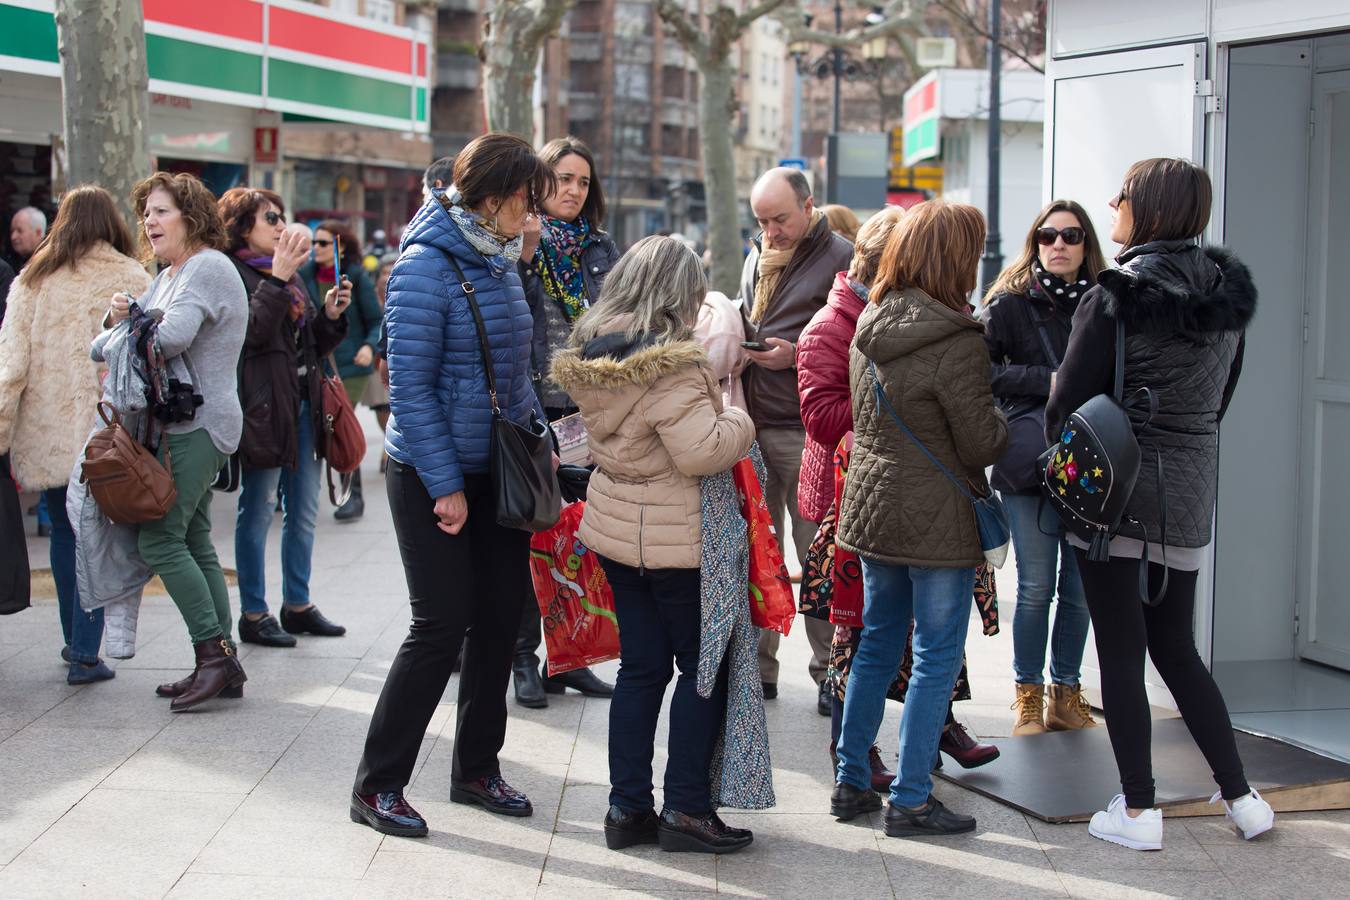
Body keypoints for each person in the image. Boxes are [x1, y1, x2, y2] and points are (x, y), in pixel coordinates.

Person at [1045, 158, 1272, 850]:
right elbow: (1218, 402)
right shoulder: (1227, 300)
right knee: (1176, 647)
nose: (1111, 204)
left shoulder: (1114, 294)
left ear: (1148, 209)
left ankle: (1139, 812)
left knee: (1119, 650)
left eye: (1123, 196)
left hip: (1115, 495)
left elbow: (1064, 404)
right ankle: (1243, 798)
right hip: (1189, 495)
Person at [350, 133, 555, 838]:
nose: (534, 215)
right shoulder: (422, 267)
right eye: (527, 200)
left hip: (497, 469)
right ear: (494, 198)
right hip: (431, 475)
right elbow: (409, 390)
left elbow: (516, 370)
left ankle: (475, 769)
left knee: (499, 621)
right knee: (439, 628)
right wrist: (444, 485)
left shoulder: (499, 261)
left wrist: (540, 447)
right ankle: (377, 785)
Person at [551, 235, 758, 855]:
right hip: (679, 540)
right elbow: (702, 451)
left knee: (641, 671)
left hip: (618, 531)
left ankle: (627, 810)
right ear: (678, 293)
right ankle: (688, 810)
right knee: (702, 671)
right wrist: (739, 420)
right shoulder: (672, 362)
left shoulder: (596, 351)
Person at [798, 207, 1001, 787]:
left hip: (872, 510)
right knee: (936, 655)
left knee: (876, 644)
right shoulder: (955, 339)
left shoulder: (869, 323)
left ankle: (850, 781)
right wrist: (1005, 421)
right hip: (936, 517)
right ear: (954, 259)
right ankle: (913, 797)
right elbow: (980, 439)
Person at [100, 172, 249, 710]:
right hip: (181, 426)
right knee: (192, 539)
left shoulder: (205, 266)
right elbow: (105, 343)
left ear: (190, 216)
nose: (149, 221)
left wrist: (131, 321)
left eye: (161, 211)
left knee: (159, 540)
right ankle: (222, 661)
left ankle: (213, 656)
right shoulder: (169, 275)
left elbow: (168, 337)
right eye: (146, 212)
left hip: (199, 425)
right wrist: (124, 318)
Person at [0, 185, 151, 684]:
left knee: (64, 533)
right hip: (111, 431)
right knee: (99, 534)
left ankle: (76, 642)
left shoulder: (33, 279)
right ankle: (86, 651)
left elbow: (10, 366)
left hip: (48, 433)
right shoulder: (132, 276)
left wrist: (3, 428)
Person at [982, 200, 1107, 736]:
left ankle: (1067, 694)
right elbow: (981, 372)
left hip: (1089, 463)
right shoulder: (1007, 305)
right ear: (1035, 243)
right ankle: (1027, 696)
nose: (1059, 245)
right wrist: (1048, 380)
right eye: (1048, 236)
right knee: (1035, 587)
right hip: (1028, 464)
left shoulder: (1107, 303)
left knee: (1080, 588)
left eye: (1071, 236)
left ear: (1086, 245)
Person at [512, 135, 620, 708]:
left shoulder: (601, 249)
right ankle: (524, 658)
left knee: (582, 539)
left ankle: (571, 656)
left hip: (588, 413)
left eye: (582, 180)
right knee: (533, 538)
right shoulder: (514, 244)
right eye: (561, 179)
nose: (573, 190)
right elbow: (509, 320)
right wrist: (526, 257)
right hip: (531, 412)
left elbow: (619, 325)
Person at [740, 167, 853, 713]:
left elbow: (855, 345)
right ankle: (760, 670)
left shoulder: (843, 258)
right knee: (760, 555)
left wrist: (794, 356)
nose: (770, 231)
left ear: (809, 207)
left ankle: (829, 673)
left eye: (780, 219)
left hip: (809, 432)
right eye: (761, 221)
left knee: (816, 557)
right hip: (755, 423)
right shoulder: (755, 255)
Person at [218, 188, 350, 649]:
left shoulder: (289, 276)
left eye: (281, 216)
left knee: (305, 512)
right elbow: (249, 336)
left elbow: (305, 343)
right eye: (269, 217)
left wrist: (330, 316)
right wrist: (276, 281)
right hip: (263, 411)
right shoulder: (233, 272)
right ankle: (253, 613)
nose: (280, 225)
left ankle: (297, 605)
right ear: (241, 225)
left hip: (303, 403)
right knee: (256, 512)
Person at [302, 219, 380, 521]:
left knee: (339, 423)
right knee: (322, 425)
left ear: (340, 246)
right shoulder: (303, 275)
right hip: (317, 364)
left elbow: (376, 320)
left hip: (350, 366)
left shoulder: (355, 277)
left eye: (322, 243)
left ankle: (353, 496)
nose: (315, 248)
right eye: (313, 243)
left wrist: (368, 347)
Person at [9, 206, 46, 271]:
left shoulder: (51, 264)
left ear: (38, 233)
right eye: (12, 231)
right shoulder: (9, 263)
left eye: (19, 231)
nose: (13, 237)